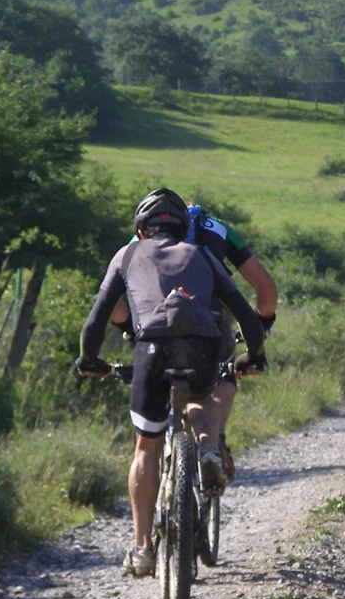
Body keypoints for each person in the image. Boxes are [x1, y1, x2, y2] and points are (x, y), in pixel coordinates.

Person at [77, 188, 267, 578]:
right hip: (203, 352)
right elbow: (246, 314)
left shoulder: (127, 254)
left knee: (146, 447)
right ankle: (207, 451)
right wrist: (254, 355)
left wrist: (89, 360)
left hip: (151, 351)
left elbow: (98, 318)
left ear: (140, 230)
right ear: (183, 229)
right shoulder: (201, 254)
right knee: (203, 399)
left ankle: (143, 548)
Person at [108, 202, 277, 481]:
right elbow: (266, 288)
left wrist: (129, 328)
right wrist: (263, 326)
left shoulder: (140, 237)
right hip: (210, 325)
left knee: (148, 435)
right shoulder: (218, 229)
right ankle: (210, 444)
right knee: (221, 378)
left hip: (154, 328)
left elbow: (112, 302)